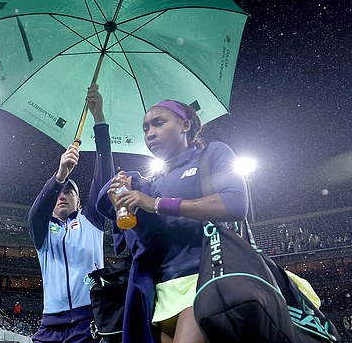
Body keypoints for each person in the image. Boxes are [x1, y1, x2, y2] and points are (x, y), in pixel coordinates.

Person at [98, 100, 248, 343]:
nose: (150, 133)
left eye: (158, 123)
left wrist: (156, 204)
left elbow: (235, 203)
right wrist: (124, 203)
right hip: (162, 290)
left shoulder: (212, 154)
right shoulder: (150, 183)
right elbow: (145, 241)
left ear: (185, 125)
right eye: (145, 128)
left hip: (204, 276)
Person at [28, 84, 114, 343]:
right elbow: (35, 214)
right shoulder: (43, 231)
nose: (62, 194)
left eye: (70, 191)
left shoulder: (92, 221)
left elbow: (105, 177)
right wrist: (60, 175)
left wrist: (99, 118)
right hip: (50, 325)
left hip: (89, 321)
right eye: (59, 192)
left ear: (79, 201)